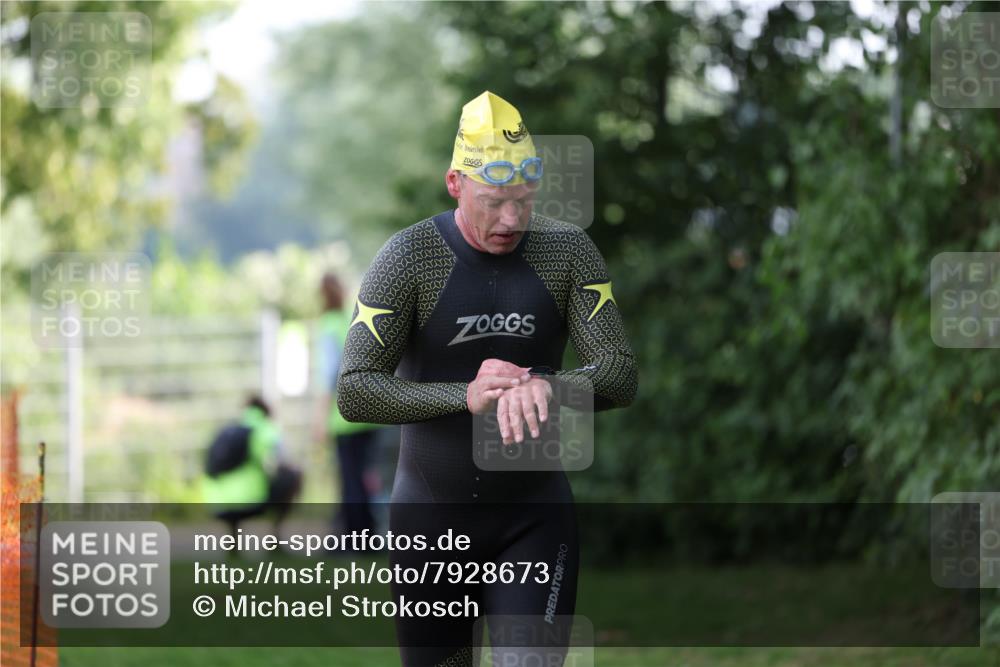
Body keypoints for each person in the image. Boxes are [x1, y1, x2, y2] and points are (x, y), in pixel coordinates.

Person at [337, 91, 637, 667]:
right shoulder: (409, 258)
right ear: (456, 184)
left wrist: (552, 386)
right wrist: (464, 395)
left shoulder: (566, 250)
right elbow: (355, 388)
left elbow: (620, 373)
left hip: (534, 519)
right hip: (431, 527)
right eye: (495, 202)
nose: (511, 220)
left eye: (524, 201)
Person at [314, 271, 383, 540]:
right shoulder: (353, 320)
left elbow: (329, 375)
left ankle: (354, 538)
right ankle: (369, 534)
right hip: (370, 413)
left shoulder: (329, 325)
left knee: (350, 480)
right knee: (367, 478)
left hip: (343, 417)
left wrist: (319, 420)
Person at [201, 396, 302, 549]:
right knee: (293, 476)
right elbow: (276, 464)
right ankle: (274, 539)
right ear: (266, 412)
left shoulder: (228, 430)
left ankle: (233, 543)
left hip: (217, 504)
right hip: (251, 502)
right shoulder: (265, 430)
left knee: (237, 488)